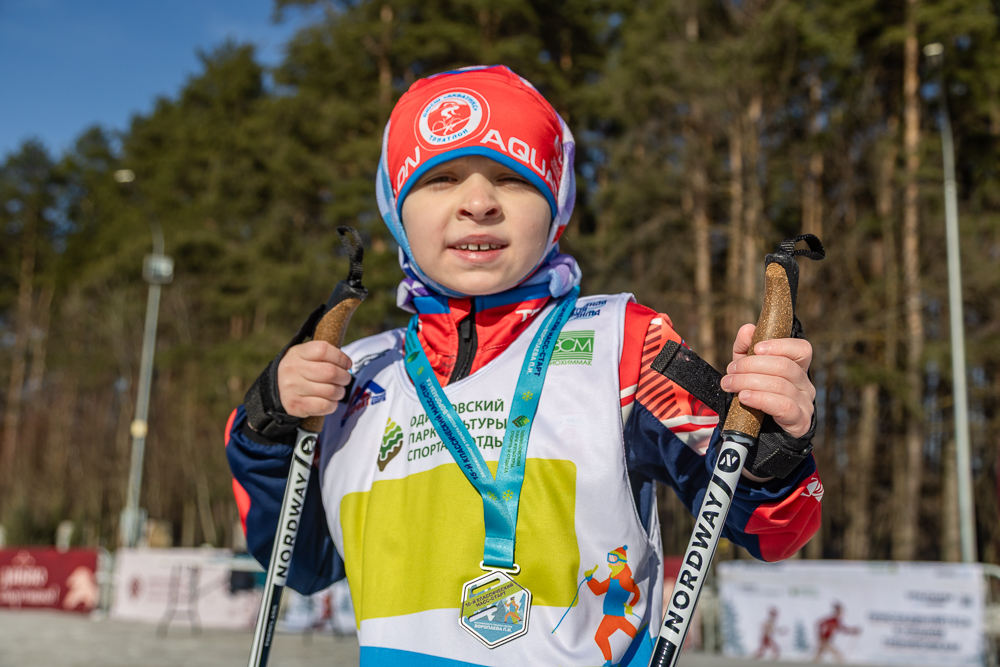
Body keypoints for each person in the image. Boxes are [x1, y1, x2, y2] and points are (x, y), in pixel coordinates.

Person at [225, 65, 823, 667]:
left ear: (556, 204)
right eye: (441, 179)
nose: (479, 203)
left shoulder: (625, 344)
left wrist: (774, 442)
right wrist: (265, 426)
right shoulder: (354, 374)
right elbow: (300, 564)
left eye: (512, 178)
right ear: (396, 211)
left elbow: (773, 529)